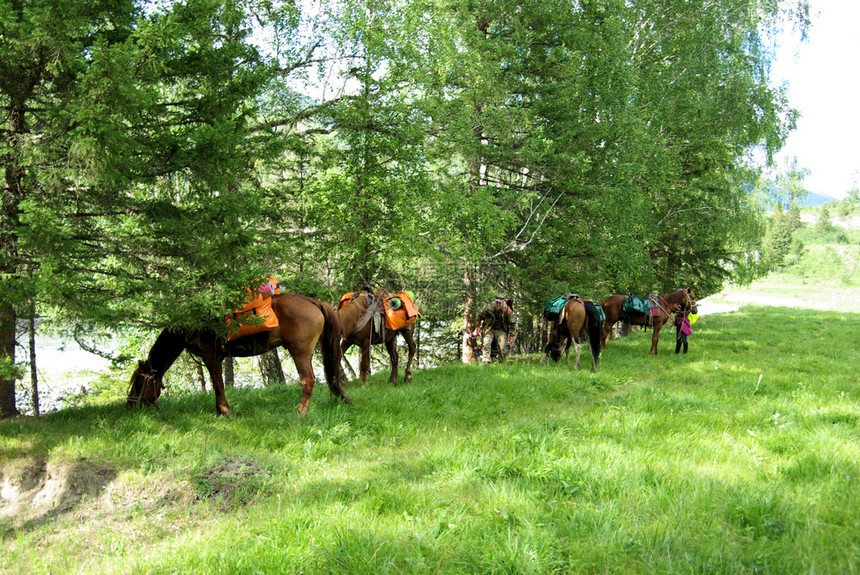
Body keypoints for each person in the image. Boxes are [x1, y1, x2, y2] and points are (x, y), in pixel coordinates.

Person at [477, 295, 518, 363]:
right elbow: (479, 315)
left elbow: (513, 323)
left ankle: (502, 362)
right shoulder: (489, 307)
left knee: (502, 346)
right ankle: (486, 361)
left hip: (501, 329)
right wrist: (478, 327)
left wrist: (512, 336)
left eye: (500, 303)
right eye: (497, 302)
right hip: (489, 328)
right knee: (486, 342)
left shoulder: (507, 310)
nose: (498, 304)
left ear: (503, 303)